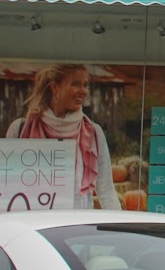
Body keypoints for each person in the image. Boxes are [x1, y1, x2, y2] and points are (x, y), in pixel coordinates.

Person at [6, 63, 115, 210]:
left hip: (76, 222)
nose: (83, 91)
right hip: (33, 221)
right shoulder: (20, 129)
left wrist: (122, 224)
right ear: (54, 87)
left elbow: (106, 190)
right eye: (75, 84)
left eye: (85, 85)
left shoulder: (93, 133)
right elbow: (8, 187)